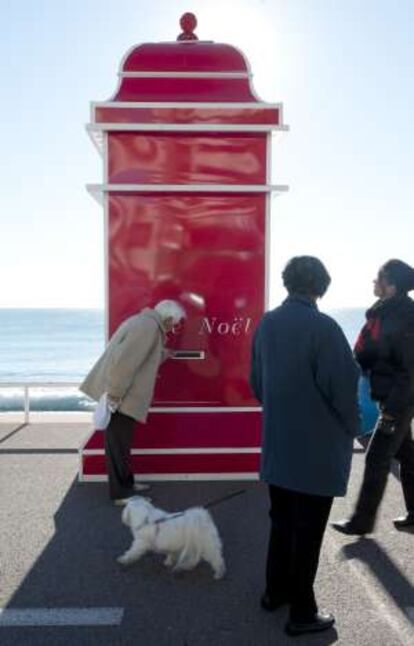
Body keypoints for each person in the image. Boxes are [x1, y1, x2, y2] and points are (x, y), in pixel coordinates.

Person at [250, 256, 360, 637]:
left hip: (277, 446)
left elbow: (257, 384)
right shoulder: (325, 328)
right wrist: (355, 427)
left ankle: (273, 592)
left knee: (281, 522)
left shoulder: (267, 323)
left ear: (287, 283)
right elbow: (344, 391)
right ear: (321, 287)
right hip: (315, 450)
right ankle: (302, 611)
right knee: (308, 531)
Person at [332, 259, 414, 535]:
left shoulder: (403, 315)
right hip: (391, 397)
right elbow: (374, 354)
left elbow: (408, 369)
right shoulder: (386, 312)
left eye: (378, 278)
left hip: (398, 401)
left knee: (376, 457)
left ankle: (361, 521)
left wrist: (392, 410)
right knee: (408, 455)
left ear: (391, 285)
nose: (373, 282)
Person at [80, 300, 186, 505]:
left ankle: (127, 485)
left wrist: (165, 353)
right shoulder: (147, 328)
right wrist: (114, 395)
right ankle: (122, 494)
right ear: (168, 318)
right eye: (175, 323)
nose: (174, 328)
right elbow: (124, 364)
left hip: (122, 396)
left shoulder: (144, 323)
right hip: (121, 397)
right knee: (118, 446)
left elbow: (140, 355)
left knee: (121, 444)